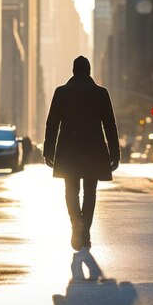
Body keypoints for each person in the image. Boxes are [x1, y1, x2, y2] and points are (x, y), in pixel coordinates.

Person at [43, 56, 120, 251]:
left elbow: (52, 124)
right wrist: (115, 154)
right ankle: (85, 232)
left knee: (71, 190)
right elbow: (110, 125)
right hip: (94, 149)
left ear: (73, 71)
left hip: (68, 150)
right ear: (89, 71)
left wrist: (48, 151)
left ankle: (76, 221)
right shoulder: (101, 93)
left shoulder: (61, 92)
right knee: (90, 192)